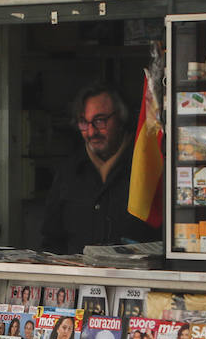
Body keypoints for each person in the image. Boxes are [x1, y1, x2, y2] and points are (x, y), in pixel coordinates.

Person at [39, 81, 157, 254]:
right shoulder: (68, 173)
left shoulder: (146, 168)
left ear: (120, 118)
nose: (92, 132)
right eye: (83, 123)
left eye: (100, 121)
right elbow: (51, 239)